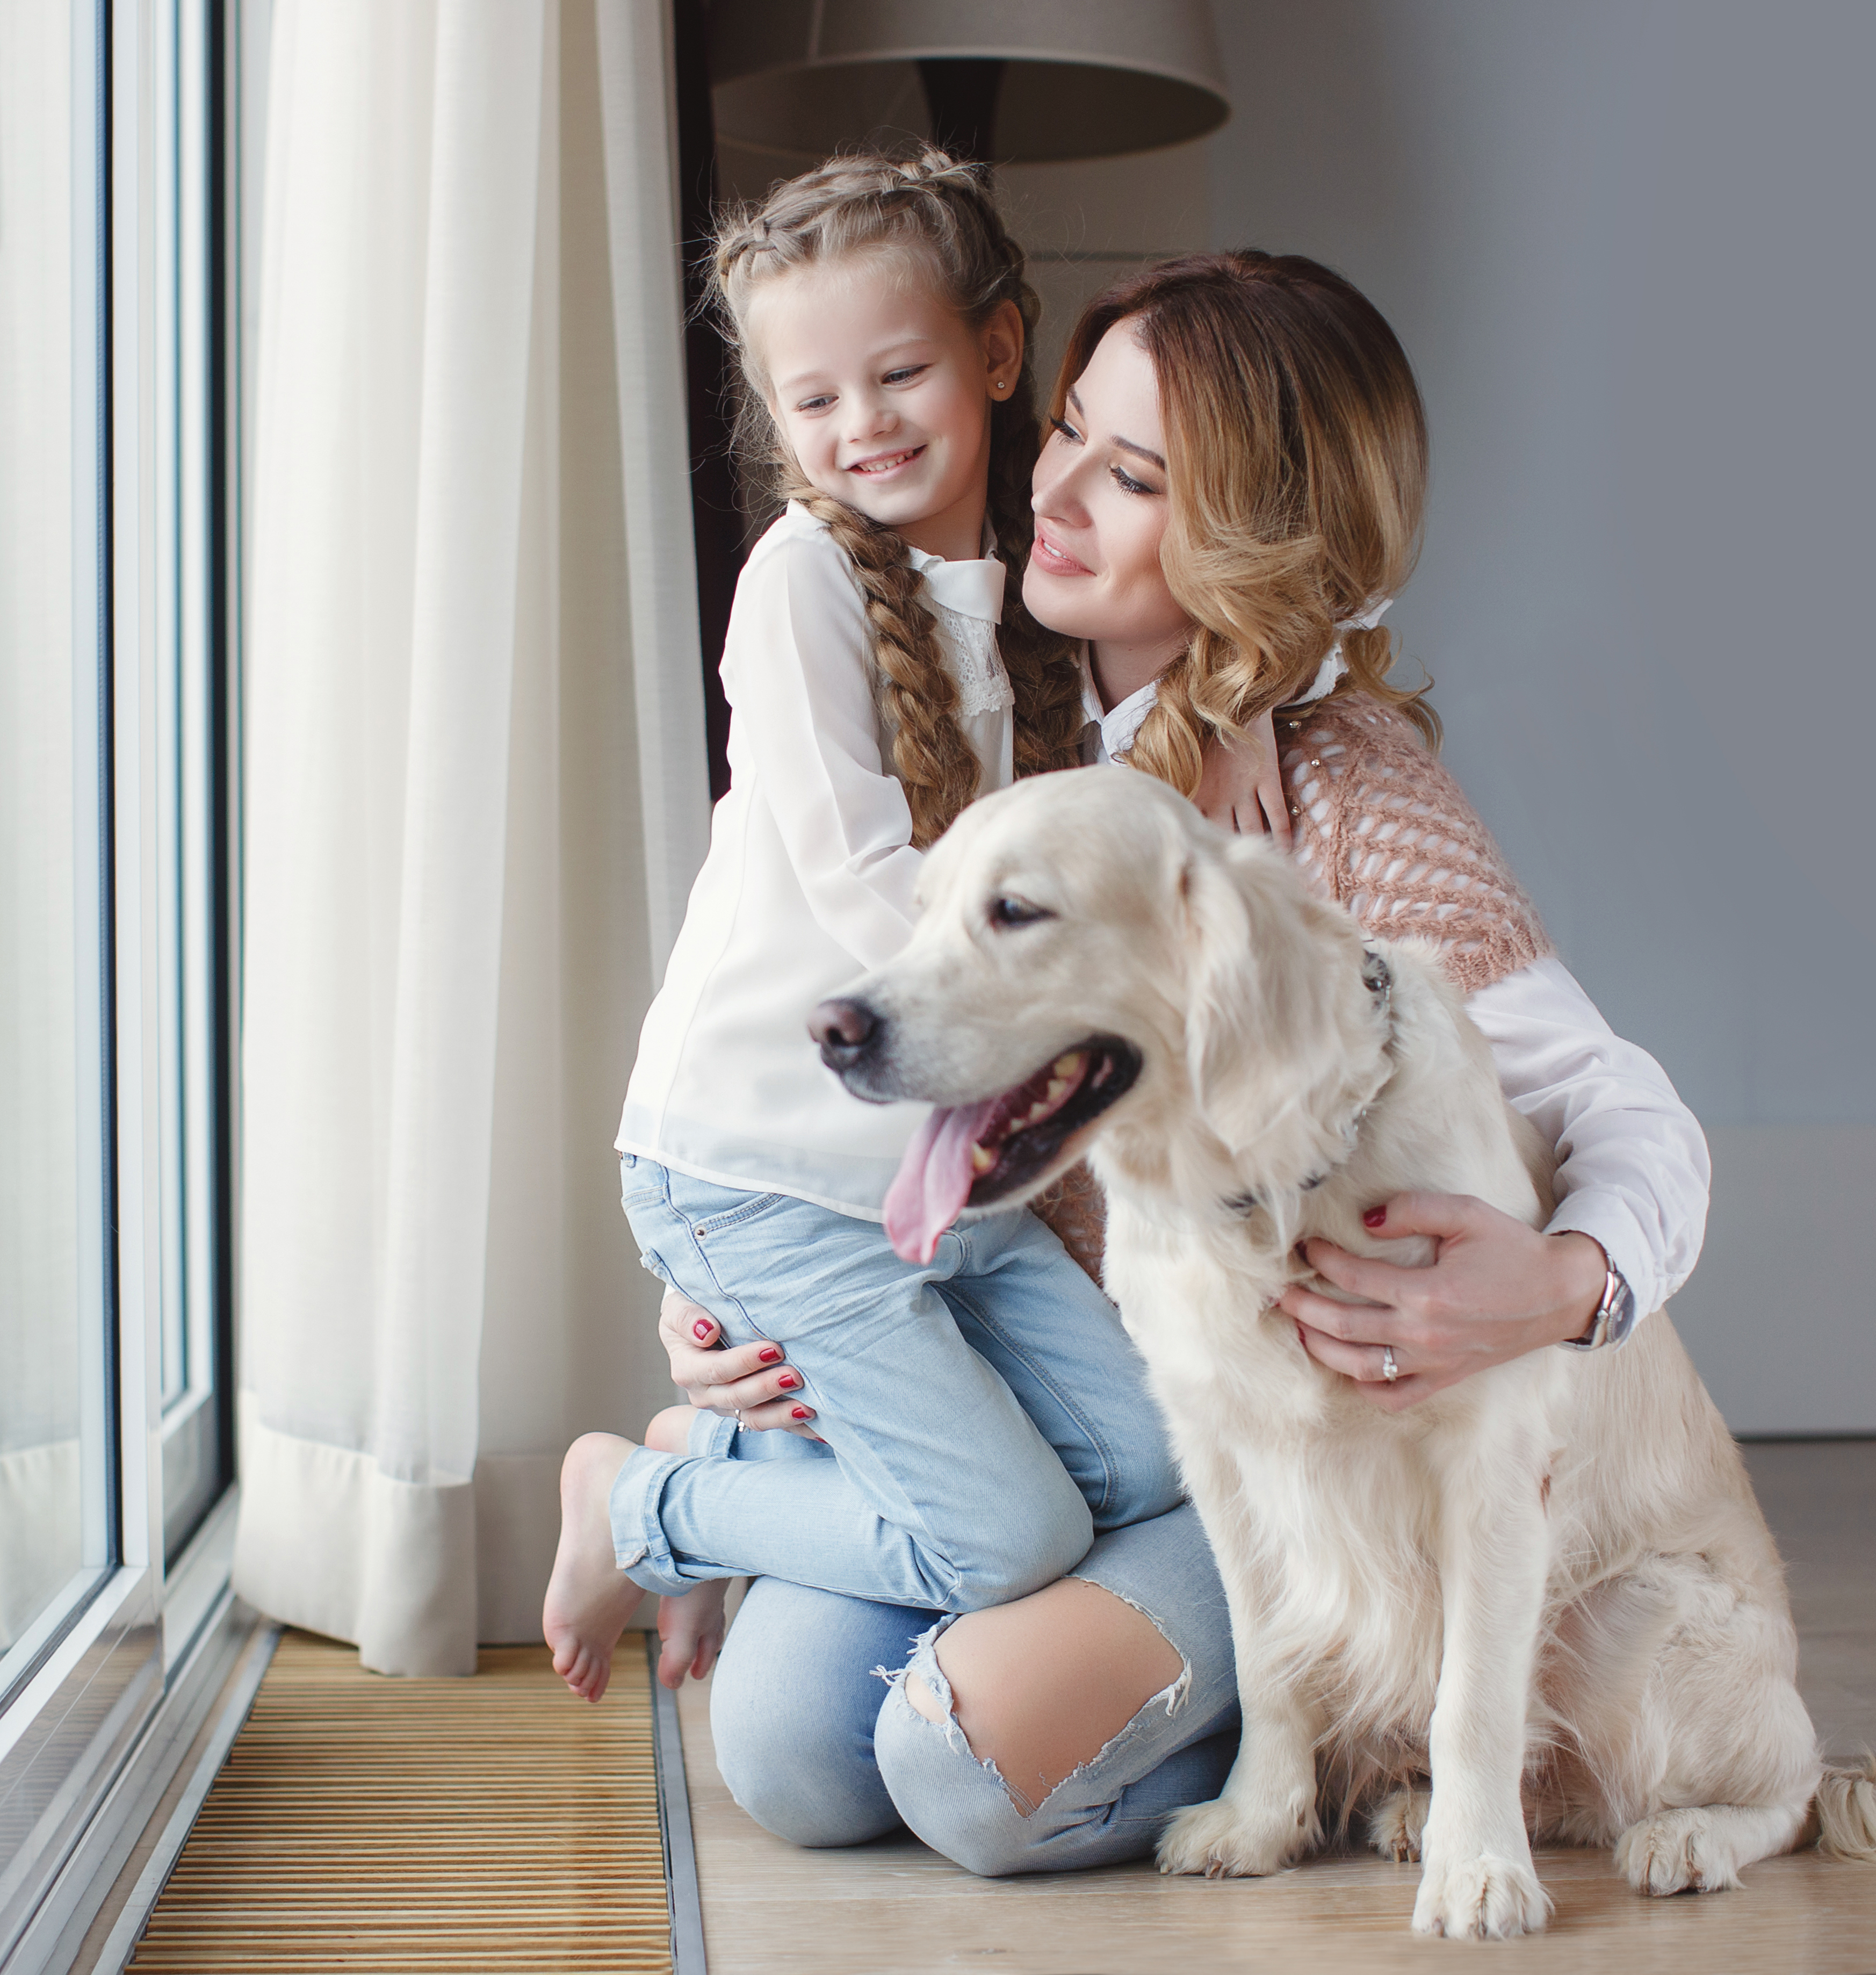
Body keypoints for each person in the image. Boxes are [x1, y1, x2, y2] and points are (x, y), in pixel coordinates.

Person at [658, 251, 1712, 1873]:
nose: (1056, 486)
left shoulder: (1343, 795)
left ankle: (1295, 1711)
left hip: (1241, 1453)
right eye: (1066, 429)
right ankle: (672, 1487)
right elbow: (797, 996)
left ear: (1251, 538)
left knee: (956, 1770)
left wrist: (1565, 1281)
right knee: (789, 1752)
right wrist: (735, 1281)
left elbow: (1620, 1106)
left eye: (1131, 474)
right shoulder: (959, 676)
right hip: (997, 1400)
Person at [540, 150, 1230, 1710]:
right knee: (1005, 1538)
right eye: (813, 402)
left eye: (900, 372)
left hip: (939, 1157)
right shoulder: (799, 585)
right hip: (768, 1161)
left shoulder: (1018, 598)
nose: (864, 427)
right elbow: (865, 885)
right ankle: (645, 1507)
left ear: (995, 351)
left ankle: (718, 1462)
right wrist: (1045, 1002)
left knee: (1135, 1458)